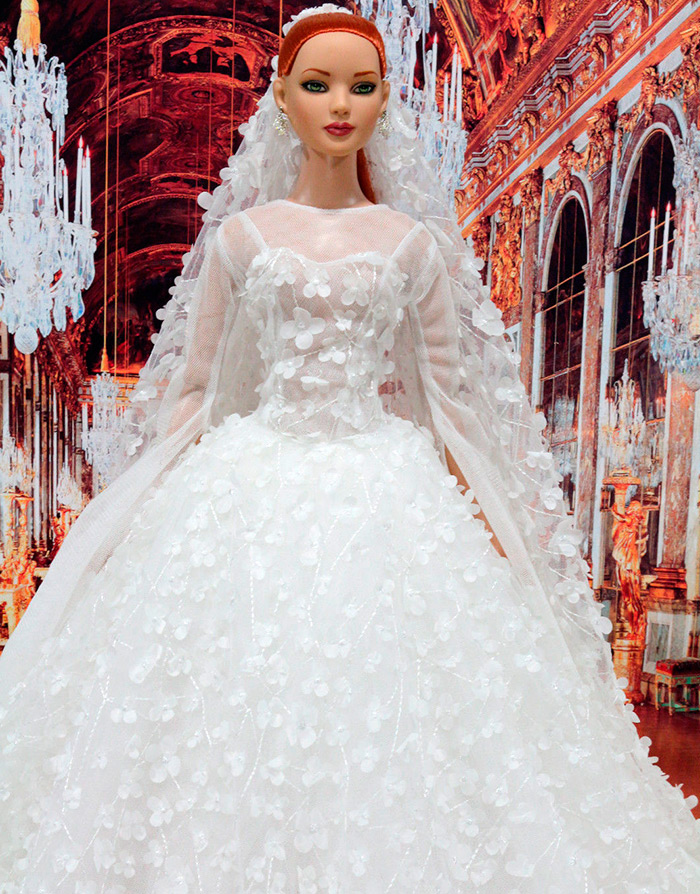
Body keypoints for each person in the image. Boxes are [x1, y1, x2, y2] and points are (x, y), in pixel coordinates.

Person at [1, 5, 699, 892]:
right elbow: (196, 393)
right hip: (248, 489)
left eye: (362, 86)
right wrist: (124, 518)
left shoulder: (411, 245)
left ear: (383, 102)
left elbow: (451, 406)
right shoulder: (242, 238)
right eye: (318, 84)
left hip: (384, 492)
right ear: (282, 99)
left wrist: (516, 547)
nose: (341, 104)